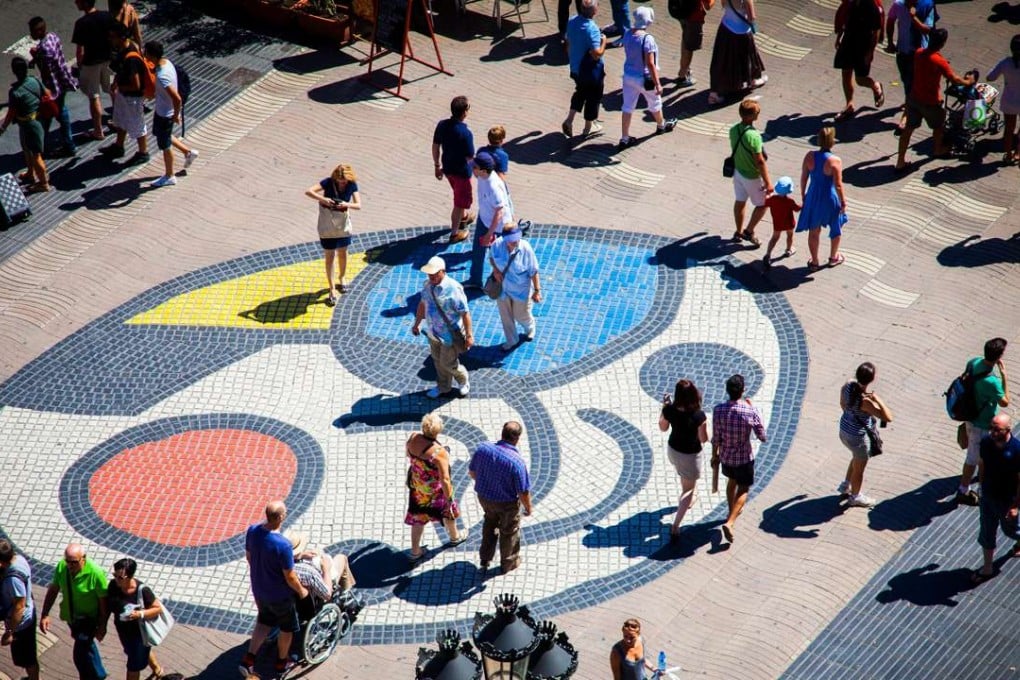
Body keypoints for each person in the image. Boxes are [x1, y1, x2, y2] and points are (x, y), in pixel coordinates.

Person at [239, 501, 310, 678]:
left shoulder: (253, 531)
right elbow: (290, 576)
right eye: (285, 512)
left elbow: (249, 557)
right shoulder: (283, 545)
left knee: (263, 621)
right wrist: (302, 591)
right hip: (280, 596)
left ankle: (249, 659)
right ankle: (281, 663)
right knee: (287, 628)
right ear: (280, 517)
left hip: (259, 588)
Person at [895, 28, 974, 172]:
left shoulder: (919, 53)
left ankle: (900, 161)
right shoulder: (939, 61)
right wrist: (968, 81)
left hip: (914, 98)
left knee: (908, 130)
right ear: (943, 43)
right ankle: (938, 149)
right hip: (930, 102)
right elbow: (954, 79)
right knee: (938, 127)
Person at [469, 421, 533, 574]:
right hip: (506, 504)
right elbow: (523, 491)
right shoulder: (516, 462)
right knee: (509, 531)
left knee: (490, 523)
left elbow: (472, 472)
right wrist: (528, 508)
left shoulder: (483, 449)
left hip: (484, 498)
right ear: (517, 439)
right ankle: (508, 563)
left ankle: (485, 557)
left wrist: (487, 484)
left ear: (502, 433)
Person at [39, 543, 109, 680]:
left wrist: (102, 626)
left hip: (88, 620)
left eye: (74, 562)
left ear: (84, 559)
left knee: (80, 653)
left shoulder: (96, 573)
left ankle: (98, 675)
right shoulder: (62, 567)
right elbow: (53, 589)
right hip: (71, 617)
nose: (70, 565)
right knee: (85, 646)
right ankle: (97, 674)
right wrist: (45, 614)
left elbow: (103, 603)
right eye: (68, 561)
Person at [405, 413, 468, 562]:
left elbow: (409, 455)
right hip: (435, 491)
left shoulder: (413, 437)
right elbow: (445, 479)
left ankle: (415, 551)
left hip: (418, 487)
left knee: (418, 517)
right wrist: (450, 499)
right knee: (448, 512)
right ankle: (455, 537)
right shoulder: (440, 453)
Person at [711, 374, 766, 543]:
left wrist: (715, 456)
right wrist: (755, 410)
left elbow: (716, 438)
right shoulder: (749, 411)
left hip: (726, 457)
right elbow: (762, 435)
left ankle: (731, 511)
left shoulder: (718, 410)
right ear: (743, 391)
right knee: (743, 489)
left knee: (731, 482)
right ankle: (731, 521)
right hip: (744, 459)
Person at [411, 256, 474, 399]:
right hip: (433, 332)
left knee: (447, 363)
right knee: (437, 361)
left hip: (449, 336)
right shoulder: (427, 286)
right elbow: (422, 305)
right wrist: (417, 324)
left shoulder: (454, 289)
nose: (431, 276)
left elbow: (465, 313)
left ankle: (463, 380)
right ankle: (443, 387)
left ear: (443, 271)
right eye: (429, 273)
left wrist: (469, 335)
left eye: (434, 273)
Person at [957, 338, 1010, 506]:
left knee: (982, 458)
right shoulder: (992, 382)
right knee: (974, 458)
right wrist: (1004, 376)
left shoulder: (973, 362)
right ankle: (963, 490)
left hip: (970, 416)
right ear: (999, 356)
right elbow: (1005, 402)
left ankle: (980, 486)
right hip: (981, 424)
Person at [618, 7, 677, 148]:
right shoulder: (647, 39)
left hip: (628, 76)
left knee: (627, 107)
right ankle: (661, 125)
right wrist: (658, 83)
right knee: (655, 103)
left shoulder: (627, 34)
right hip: (645, 79)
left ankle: (624, 138)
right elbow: (650, 63)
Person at [836, 362, 893, 508]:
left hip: (844, 431)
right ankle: (855, 496)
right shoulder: (865, 401)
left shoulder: (848, 385)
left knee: (856, 457)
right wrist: (878, 399)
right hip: (858, 438)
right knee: (859, 469)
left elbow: (842, 403)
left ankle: (846, 484)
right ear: (872, 379)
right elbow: (887, 417)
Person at [971, 413, 1020, 584]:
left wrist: (1015, 506)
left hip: (1007, 500)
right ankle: (988, 568)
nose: (992, 432)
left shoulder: (1016, 450)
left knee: (1012, 531)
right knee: (986, 532)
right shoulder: (986, 443)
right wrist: (981, 485)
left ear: (1008, 430)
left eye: (997, 429)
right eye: (991, 427)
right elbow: (982, 464)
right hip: (988, 497)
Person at [659, 379, 708, 541]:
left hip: (673, 450)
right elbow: (704, 439)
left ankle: (688, 499)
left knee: (685, 477)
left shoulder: (670, 410)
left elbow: (663, 427)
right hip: (690, 455)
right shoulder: (698, 416)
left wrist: (665, 407)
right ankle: (676, 525)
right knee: (689, 489)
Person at [144, 40, 198, 188]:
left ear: (151, 55)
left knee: (165, 146)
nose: (144, 54)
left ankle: (169, 176)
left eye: (145, 52)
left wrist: (175, 115)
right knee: (164, 136)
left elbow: (177, 98)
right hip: (162, 111)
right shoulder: (166, 62)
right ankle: (187, 152)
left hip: (165, 114)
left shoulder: (162, 76)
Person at [305, 163, 361, 305]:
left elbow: (358, 205)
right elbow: (309, 191)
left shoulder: (352, 184)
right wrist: (324, 199)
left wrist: (345, 204)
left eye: (344, 181)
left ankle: (342, 278)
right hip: (327, 225)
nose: (342, 183)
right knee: (330, 256)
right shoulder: (328, 182)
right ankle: (331, 289)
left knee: (343, 253)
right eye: (339, 180)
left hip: (342, 225)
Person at [795, 127, 847, 271]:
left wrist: (803, 195)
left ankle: (815, 262)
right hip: (830, 198)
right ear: (832, 141)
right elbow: (838, 185)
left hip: (813, 196)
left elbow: (804, 177)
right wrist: (843, 201)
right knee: (835, 227)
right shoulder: (835, 161)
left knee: (814, 231)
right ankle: (833, 257)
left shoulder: (809, 156)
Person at [104, 558, 166, 680]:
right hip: (123, 630)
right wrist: (102, 624)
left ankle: (155, 669)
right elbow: (108, 606)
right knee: (136, 652)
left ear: (130, 576)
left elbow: (157, 608)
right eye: (115, 575)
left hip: (139, 634)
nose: (116, 579)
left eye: (120, 578)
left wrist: (140, 614)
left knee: (133, 665)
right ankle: (157, 669)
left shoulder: (142, 591)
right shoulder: (113, 586)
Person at [28, 16, 79, 157]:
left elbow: (45, 71)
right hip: (62, 82)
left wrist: (43, 89)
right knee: (56, 113)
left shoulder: (45, 50)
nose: (31, 34)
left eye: (32, 31)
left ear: (39, 31)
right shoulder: (52, 37)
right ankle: (63, 144)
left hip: (53, 87)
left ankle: (45, 146)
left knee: (51, 114)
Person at [0, 58, 52, 194]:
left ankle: (44, 183)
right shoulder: (34, 80)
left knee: (36, 154)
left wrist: (3, 127)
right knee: (27, 149)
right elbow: (47, 94)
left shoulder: (15, 92)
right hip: (37, 120)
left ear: (14, 71)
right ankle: (31, 172)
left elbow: (11, 113)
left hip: (30, 125)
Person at [100, 22, 149, 165]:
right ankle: (118, 146)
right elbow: (121, 70)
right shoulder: (123, 48)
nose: (110, 39)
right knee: (120, 119)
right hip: (124, 94)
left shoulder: (131, 57)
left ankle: (143, 152)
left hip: (132, 98)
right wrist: (116, 82)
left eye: (113, 37)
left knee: (137, 124)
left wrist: (121, 87)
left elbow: (136, 84)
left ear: (121, 37)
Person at [884, 0, 935, 133]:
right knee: (907, 81)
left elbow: (927, 29)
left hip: (919, 53)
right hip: (903, 51)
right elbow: (890, 21)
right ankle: (911, 102)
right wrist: (890, 42)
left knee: (910, 84)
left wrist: (913, 17)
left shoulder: (927, 5)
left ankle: (906, 115)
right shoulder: (898, 4)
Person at [488, 227, 541, 350]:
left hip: (520, 290)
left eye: (517, 239)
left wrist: (537, 291)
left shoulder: (525, 248)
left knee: (520, 315)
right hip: (503, 288)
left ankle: (530, 326)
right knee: (505, 316)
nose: (515, 242)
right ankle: (512, 340)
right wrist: (495, 270)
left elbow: (534, 271)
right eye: (512, 240)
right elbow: (491, 257)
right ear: (505, 239)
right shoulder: (496, 245)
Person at [432, 96, 475, 244]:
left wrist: (437, 166)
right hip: (462, 173)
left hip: (448, 169)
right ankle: (454, 233)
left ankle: (464, 217)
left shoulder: (442, 125)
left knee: (458, 196)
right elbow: (470, 156)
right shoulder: (465, 133)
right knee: (459, 203)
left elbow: (436, 146)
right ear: (464, 112)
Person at [729, 98, 772, 247]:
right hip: (752, 177)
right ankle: (749, 231)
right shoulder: (754, 136)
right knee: (764, 204)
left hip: (738, 172)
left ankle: (738, 231)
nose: (759, 112)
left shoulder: (733, 130)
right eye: (757, 111)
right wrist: (768, 183)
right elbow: (760, 161)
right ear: (751, 116)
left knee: (740, 201)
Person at [832, 0, 885, 121]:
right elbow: (843, 19)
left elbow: (876, 31)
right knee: (846, 74)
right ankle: (849, 105)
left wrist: (870, 52)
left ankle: (875, 86)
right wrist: (839, 37)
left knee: (860, 79)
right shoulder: (850, 3)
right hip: (848, 43)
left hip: (863, 45)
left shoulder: (871, 6)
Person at [707, 0, 766, 105]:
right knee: (747, 57)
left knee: (722, 60)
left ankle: (715, 93)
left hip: (726, 29)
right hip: (742, 31)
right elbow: (752, 17)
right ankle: (753, 80)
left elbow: (724, 5)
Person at [563, 0, 608, 139]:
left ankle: (569, 120)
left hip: (575, 67)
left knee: (581, 92)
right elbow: (596, 54)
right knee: (593, 97)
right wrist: (604, 41)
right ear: (594, 11)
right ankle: (589, 126)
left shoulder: (572, 21)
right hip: (590, 72)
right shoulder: (592, 28)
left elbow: (568, 42)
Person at [71, 0, 115, 141]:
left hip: (91, 64)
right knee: (111, 89)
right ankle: (118, 119)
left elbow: (80, 50)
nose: (75, 2)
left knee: (94, 96)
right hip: (107, 59)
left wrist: (80, 65)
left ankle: (98, 130)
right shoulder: (107, 16)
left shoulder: (82, 23)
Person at [470, 151, 513, 288]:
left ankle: (501, 280)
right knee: (477, 250)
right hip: (484, 219)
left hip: (497, 226)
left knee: (499, 255)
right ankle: (475, 280)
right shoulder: (482, 176)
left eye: (475, 167)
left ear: (483, 170)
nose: (472, 169)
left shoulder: (494, 186)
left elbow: (499, 213)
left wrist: (490, 233)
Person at [0, 539, 39, 680]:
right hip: (28, 613)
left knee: (28, 658)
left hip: (21, 624)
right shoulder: (19, 559)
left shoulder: (13, 579)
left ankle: (34, 678)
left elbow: (19, 606)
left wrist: (10, 632)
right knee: (26, 656)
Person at [283, 531, 358, 604]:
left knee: (317, 552)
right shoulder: (307, 572)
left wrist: (300, 555)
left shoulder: (274, 566)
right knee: (341, 558)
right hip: (317, 597)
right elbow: (326, 595)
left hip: (290, 600)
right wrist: (326, 569)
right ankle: (346, 596)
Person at [987, 35, 1020, 165]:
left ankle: (1008, 155)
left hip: (1009, 101)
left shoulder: (1005, 63)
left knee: (1009, 130)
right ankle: (1018, 153)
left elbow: (990, 77)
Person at [762, 175, 800, 268]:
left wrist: (767, 193)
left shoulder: (772, 199)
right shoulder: (790, 201)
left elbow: (765, 202)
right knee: (790, 235)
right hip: (789, 222)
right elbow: (797, 209)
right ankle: (788, 249)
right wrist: (804, 204)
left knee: (774, 238)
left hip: (777, 222)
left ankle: (768, 254)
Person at [676, 0, 715, 88]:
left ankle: (685, 68)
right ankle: (683, 76)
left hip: (680, 12)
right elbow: (708, 6)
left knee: (686, 38)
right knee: (689, 47)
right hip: (693, 17)